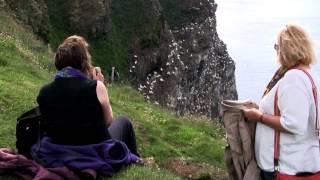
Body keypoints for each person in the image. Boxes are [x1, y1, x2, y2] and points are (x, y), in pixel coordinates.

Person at [37, 35, 139, 156]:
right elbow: (108, 121)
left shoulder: (45, 91)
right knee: (124, 121)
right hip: (94, 151)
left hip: (59, 150)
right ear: (83, 61)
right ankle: (135, 159)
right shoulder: (96, 87)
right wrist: (99, 83)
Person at [243, 24, 320, 179]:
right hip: (297, 164)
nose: (276, 51)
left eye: (277, 46)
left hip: (286, 168)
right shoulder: (308, 75)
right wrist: (263, 110)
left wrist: (259, 117)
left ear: (287, 49)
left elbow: (294, 123)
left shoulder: (294, 78)